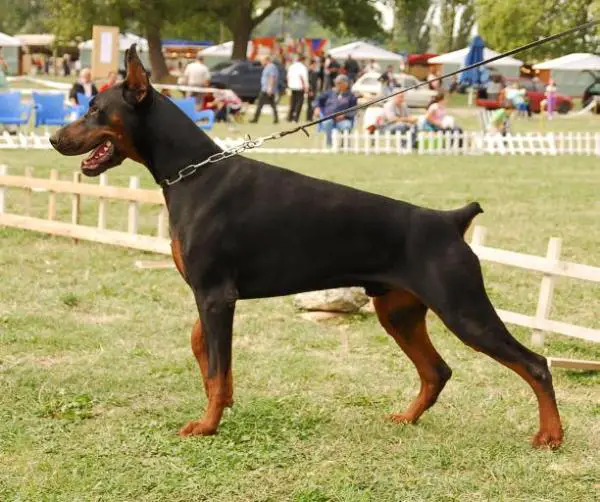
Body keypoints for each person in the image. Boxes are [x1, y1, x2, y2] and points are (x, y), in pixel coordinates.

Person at [312, 74, 357, 147]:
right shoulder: (329, 93)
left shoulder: (351, 96)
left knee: (346, 126)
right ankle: (329, 144)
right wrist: (316, 107)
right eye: (336, 83)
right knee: (327, 123)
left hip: (343, 120)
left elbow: (354, 110)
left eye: (339, 83)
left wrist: (344, 115)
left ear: (346, 84)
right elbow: (317, 100)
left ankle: (344, 145)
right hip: (329, 117)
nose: (337, 85)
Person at [250, 56, 280, 124]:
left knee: (260, 104)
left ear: (267, 60)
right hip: (267, 89)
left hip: (267, 90)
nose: (261, 62)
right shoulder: (268, 67)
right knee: (272, 105)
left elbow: (272, 77)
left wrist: (270, 88)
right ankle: (276, 119)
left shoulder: (271, 67)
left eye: (262, 61)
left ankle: (255, 119)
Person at [286, 55, 308, 122]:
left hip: (292, 87)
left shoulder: (291, 66)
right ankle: (296, 118)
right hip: (300, 87)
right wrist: (305, 87)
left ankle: (290, 118)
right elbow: (302, 77)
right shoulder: (302, 67)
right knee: (299, 103)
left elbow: (288, 77)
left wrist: (289, 85)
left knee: (292, 103)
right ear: (303, 60)